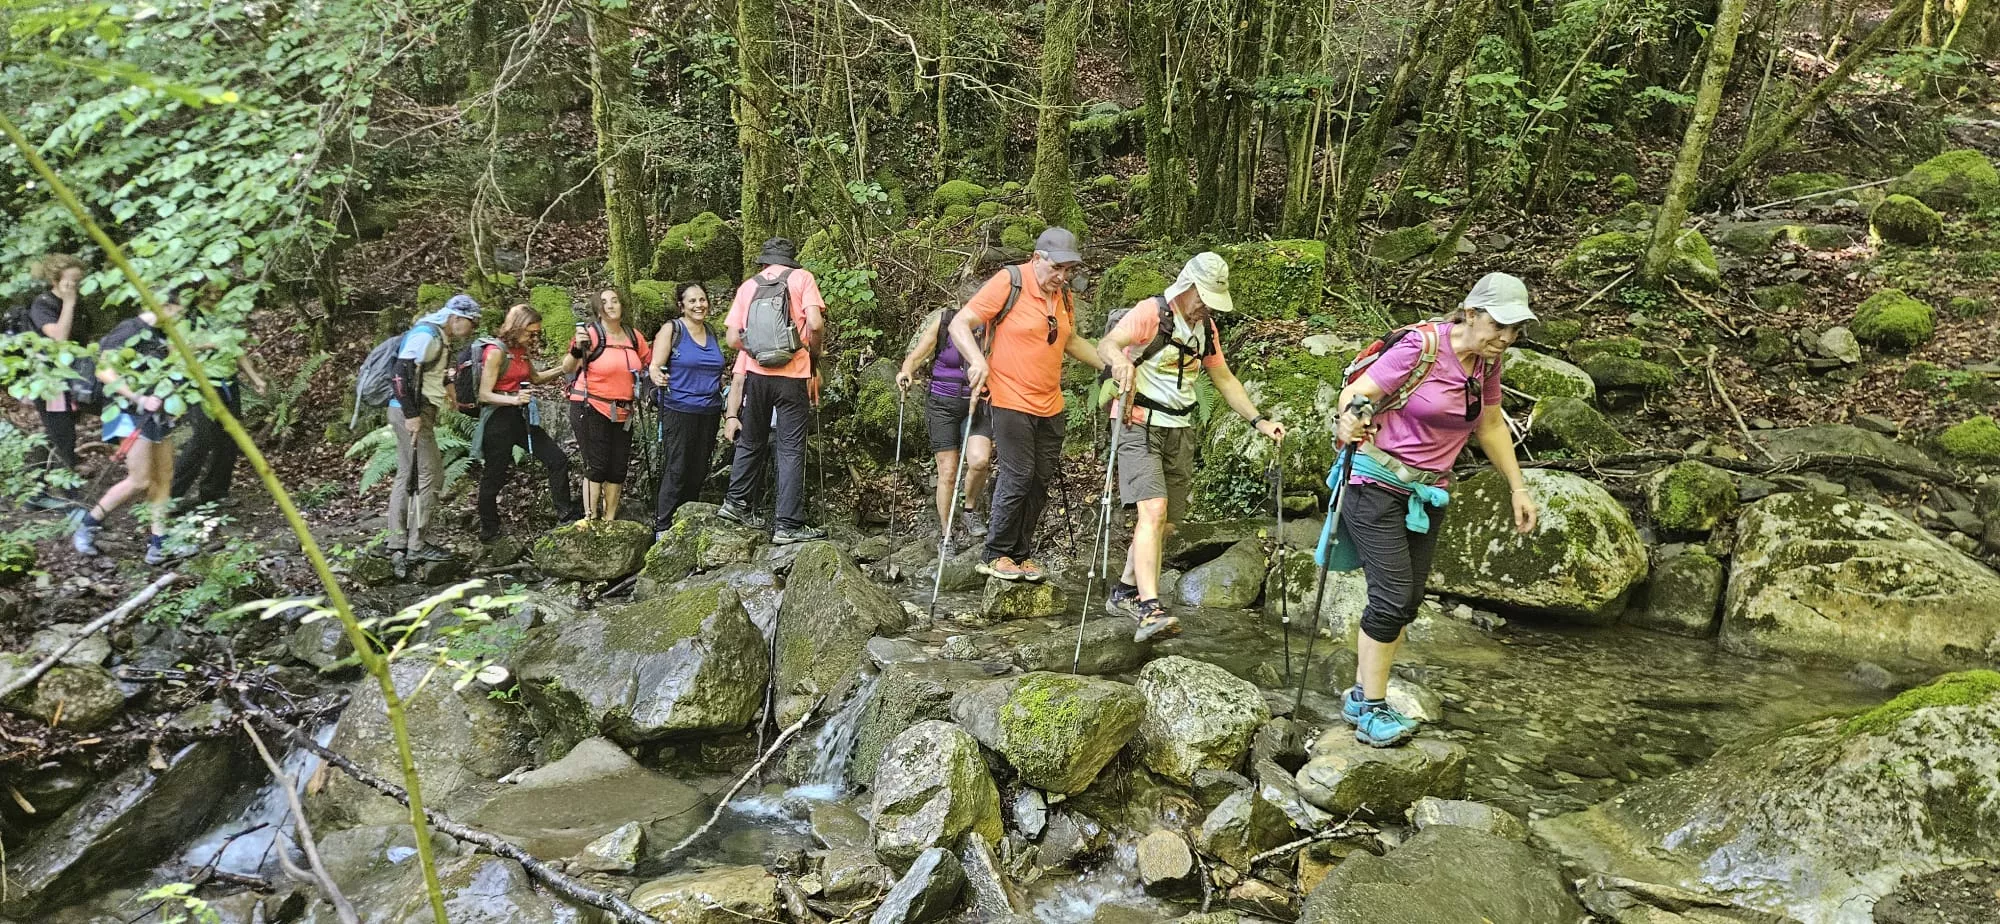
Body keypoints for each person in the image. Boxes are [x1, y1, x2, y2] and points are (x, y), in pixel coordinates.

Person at [1329, 272, 1540, 747]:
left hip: (1427, 495)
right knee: (1392, 597)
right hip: (1374, 483)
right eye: (1499, 326)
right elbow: (1358, 394)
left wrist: (1517, 488)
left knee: (1406, 602)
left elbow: (1488, 426)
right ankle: (1372, 710)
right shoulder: (1420, 348)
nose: (1507, 338)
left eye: (1514, 329)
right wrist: (1351, 420)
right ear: (1471, 314)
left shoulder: (1486, 364)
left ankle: (1362, 696)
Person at [1099, 252, 1286, 642]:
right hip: (1138, 424)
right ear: (1186, 286)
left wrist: (1259, 421)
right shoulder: (1151, 313)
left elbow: (1224, 379)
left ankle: (1125, 591)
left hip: (1179, 429)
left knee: (1166, 523)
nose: (1205, 307)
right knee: (1153, 509)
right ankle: (1150, 608)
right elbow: (1108, 344)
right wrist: (1119, 362)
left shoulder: (1206, 329)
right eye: (1203, 297)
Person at [949, 227, 1105, 582]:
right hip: (1009, 397)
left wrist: (1110, 365)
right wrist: (976, 360)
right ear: (1038, 258)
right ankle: (996, 553)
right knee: (1018, 475)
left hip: (1050, 404)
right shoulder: (1011, 281)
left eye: (1069, 271)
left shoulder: (1062, 297)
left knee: (1039, 481)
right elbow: (961, 322)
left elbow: (1071, 341)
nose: (1063, 277)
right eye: (1057, 269)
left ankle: (1022, 555)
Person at [718, 238, 828, 544]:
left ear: (765, 261)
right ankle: (787, 525)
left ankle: (736, 503)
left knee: (751, 439)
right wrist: (810, 352)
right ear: (790, 260)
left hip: (756, 374)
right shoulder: (802, 278)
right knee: (790, 448)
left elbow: (731, 338)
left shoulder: (748, 286)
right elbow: (816, 324)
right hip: (792, 375)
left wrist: (757, 350)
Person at [72, 291, 183, 565]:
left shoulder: (162, 333)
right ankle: (88, 523)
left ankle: (159, 544)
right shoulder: (129, 330)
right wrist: (139, 397)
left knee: (164, 477)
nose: (181, 315)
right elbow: (105, 371)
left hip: (158, 413)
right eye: (179, 308)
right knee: (140, 480)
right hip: (128, 412)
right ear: (165, 305)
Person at [386, 294, 481, 573]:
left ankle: (397, 542)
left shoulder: (439, 335)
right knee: (431, 474)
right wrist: (412, 415)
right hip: (411, 411)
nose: (472, 329)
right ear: (456, 317)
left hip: (413, 410)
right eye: (471, 323)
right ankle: (417, 544)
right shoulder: (427, 335)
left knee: (409, 473)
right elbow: (400, 374)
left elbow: (430, 372)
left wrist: (449, 392)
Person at [896, 283, 993, 546]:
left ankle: (970, 509)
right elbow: (916, 357)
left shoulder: (992, 327)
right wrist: (906, 372)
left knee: (980, 461)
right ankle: (946, 534)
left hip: (978, 401)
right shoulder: (946, 322)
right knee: (948, 472)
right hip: (942, 404)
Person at [476, 304, 578, 540]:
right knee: (495, 475)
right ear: (516, 326)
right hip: (498, 419)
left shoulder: (521, 350)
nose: (533, 337)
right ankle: (489, 530)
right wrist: (513, 400)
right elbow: (484, 394)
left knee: (557, 459)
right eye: (530, 332)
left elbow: (536, 378)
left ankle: (564, 513)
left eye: (536, 333)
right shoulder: (496, 352)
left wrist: (564, 368)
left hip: (520, 417)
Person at [563, 287, 651, 524]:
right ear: (597, 308)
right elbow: (568, 368)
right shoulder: (590, 334)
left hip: (624, 411)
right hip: (591, 406)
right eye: (605, 302)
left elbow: (649, 363)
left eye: (615, 301)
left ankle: (610, 520)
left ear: (622, 305)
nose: (611, 305)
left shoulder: (634, 337)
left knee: (618, 468)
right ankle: (590, 518)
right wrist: (575, 348)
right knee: (597, 465)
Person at [649, 283, 727, 536]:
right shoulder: (673, 330)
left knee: (699, 468)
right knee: (677, 466)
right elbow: (655, 366)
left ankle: (686, 519)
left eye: (702, 299)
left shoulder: (712, 331)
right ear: (681, 305)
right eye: (692, 301)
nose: (699, 305)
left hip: (709, 409)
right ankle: (663, 524)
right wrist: (656, 376)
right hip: (679, 408)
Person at [171, 305, 268, 509]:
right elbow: (173, 349)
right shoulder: (185, 318)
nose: (216, 296)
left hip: (227, 384)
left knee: (229, 439)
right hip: (198, 385)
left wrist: (255, 379)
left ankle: (215, 491)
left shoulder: (223, 316)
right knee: (200, 440)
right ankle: (170, 498)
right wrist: (207, 345)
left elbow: (236, 350)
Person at [26, 254, 90, 489]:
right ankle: (65, 489)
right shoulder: (43, 304)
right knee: (61, 431)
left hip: (73, 376)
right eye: (71, 281)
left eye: (78, 281)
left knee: (62, 430)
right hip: (49, 379)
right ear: (56, 280)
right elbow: (60, 337)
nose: (75, 287)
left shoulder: (78, 303)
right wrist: (69, 302)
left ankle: (39, 484)